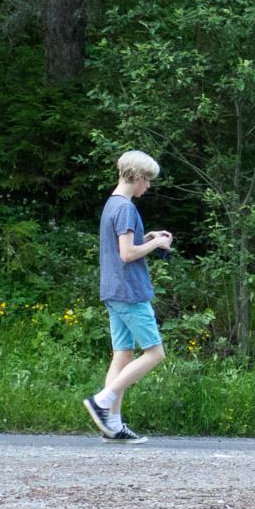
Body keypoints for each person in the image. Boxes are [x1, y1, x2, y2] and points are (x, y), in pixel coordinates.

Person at [83, 150, 174, 443]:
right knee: (156, 353)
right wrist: (158, 243)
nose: (148, 186)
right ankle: (102, 401)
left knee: (123, 354)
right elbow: (127, 254)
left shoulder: (113, 204)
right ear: (135, 176)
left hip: (113, 290)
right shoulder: (126, 209)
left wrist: (147, 238)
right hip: (130, 291)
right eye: (147, 180)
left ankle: (113, 425)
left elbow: (125, 245)